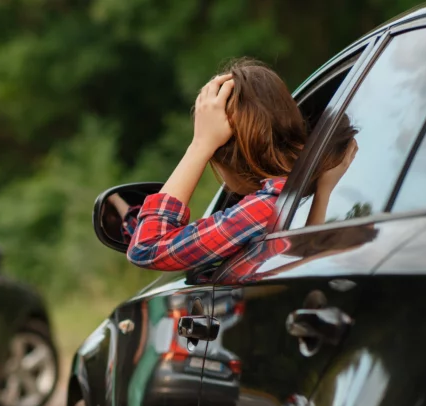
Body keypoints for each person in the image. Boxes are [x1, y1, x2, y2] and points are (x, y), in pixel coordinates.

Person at [125, 58, 358, 272]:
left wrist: (199, 146)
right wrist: (324, 192)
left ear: (223, 157)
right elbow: (304, 261)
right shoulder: (294, 197)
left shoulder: (265, 208)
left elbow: (147, 248)